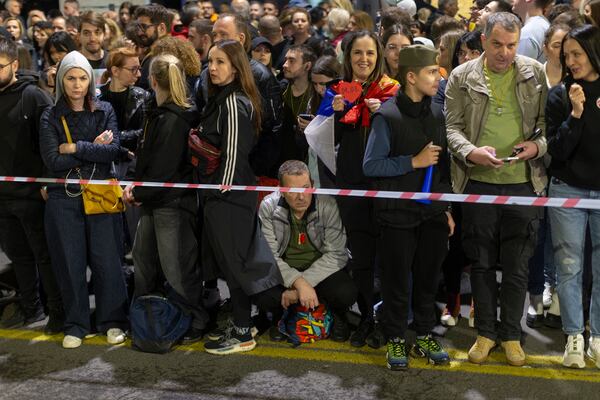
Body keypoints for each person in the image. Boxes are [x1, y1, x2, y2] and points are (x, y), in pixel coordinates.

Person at [445, 12, 547, 367]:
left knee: (518, 266)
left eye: (512, 45)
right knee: (482, 265)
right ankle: (486, 333)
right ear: (483, 40)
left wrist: (537, 147)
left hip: (523, 184)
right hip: (478, 185)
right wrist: (470, 151)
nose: (505, 52)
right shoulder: (460, 76)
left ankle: (511, 336)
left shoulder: (535, 72)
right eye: (497, 44)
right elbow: (452, 128)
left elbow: (547, 125)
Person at [363, 44, 453, 370]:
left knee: (428, 280)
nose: (438, 78)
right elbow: (371, 165)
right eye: (432, 72)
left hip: (430, 214)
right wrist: (412, 162)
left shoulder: (437, 113)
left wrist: (445, 209)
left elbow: (443, 169)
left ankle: (425, 333)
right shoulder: (387, 116)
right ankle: (396, 338)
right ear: (412, 77)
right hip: (396, 215)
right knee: (397, 282)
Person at [197, 40, 283, 355]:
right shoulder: (220, 98)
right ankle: (240, 323)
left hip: (230, 195)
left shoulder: (234, 102)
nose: (213, 68)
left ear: (235, 67)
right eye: (210, 62)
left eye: (220, 62)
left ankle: (243, 331)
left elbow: (235, 151)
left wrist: (223, 188)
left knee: (237, 267)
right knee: (231, 265)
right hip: (220, 194)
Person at [39, 50, 128, 349]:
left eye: (82, 78)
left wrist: (74, 147)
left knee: (108, 262)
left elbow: (113, 150)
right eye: (70, 78)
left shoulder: (104, 110)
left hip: (100, 193)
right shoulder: (50, 115)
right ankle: (76, 323)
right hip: (62, 198)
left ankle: (112, 321)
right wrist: (92, 149)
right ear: (60, 81)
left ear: (90, 80)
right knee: (69, 262)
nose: (77, 84)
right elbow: (52, 160)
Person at [123, 53, 209, 343]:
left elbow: (165, 168)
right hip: (154, 199)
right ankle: (147, 316)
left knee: (177, 268)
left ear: (153, 80)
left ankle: (195, 320)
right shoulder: (158, 113)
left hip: (171, 203)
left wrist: (137, 191)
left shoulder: (173, 118)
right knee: (144, 259)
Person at [332, 30, 399, 348]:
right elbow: (327, 141)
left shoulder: (392, 90)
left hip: (383, 185)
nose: (363, 59)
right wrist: (333, 113)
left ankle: (387, 320)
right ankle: (365, 319)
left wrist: (382, 113)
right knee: (360, 258)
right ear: (348, 57)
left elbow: (402, 138)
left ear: (379, 56)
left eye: (370, 53)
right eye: (357, 53)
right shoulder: (341, 89)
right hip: (350, 185)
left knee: (387, 258)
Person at [0, 37, 64, 334]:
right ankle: (31, 309)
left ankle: (56, 312)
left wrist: (46, 182)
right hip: (3, 198)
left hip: (32, 194)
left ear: (15, 64)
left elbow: (50, 144)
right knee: (20, 258)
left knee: (44, 256)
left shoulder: (34, 97)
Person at [545, 24, 600, 369]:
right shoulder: (560, 95)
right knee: (569, 267)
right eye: (566, 56)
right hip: (567, 189)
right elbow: (556, 151)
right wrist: (576, 116)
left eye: (577, 54)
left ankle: (597, 336)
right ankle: (574, 337)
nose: (570, 61)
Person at [259, 160, 357, 341]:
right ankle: (281, 317)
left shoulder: (327, 205)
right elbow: (270, 256)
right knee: (263, 294)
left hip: (320, 270)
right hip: (285, 271)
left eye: (306, 188)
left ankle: (336, 313)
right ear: (281, 189)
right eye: (293, 191)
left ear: (312, 184)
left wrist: (303, 285)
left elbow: (336, 253)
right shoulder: (268, 206)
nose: (301, 197)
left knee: (345, 292)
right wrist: (298, 282)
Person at [280, 44, 317, 165]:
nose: (285, 65)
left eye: (292, 61)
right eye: (286, 60)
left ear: (307, 66)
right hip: (284, 157)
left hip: (309, 157)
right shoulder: (281, 90)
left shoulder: (318, 95)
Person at [134, 4, 171, 90]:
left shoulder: (155, 60)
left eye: (144, 27)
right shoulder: (181, 52)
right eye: (138, 27)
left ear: (161, 28)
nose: (139, 33)